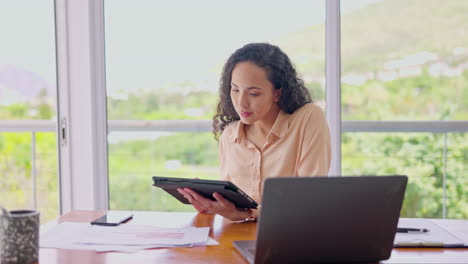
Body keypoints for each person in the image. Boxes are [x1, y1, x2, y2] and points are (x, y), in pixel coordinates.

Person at [178, 43, 331, 222]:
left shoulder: (307, 119)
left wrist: (248, 214)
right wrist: (211, 205)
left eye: (254, 93)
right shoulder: (230, 134)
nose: (241, 103)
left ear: (277, 93)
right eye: (235, 90)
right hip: (234, 239)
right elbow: (233, 210)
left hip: (288, 239)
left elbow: (309, 200)